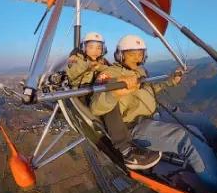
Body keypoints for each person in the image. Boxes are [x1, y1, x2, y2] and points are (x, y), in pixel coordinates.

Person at [90, 35, 217, 193]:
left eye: (140, 54)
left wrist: (170, 81)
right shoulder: (110, 73)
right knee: (187, 138)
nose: (137, 58)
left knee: (201, 121)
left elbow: (149, 91)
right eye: (132, 54)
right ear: (120, 55)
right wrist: (113, 93)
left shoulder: (139, 71)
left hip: (155, 115)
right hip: (135, 127)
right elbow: (96, 107)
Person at [66, 32, 161, 170]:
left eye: (99, 47)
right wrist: (87, 65)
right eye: (91, 47)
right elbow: (73, 72)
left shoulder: (102, 61)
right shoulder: (76, 59)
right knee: (111, 101)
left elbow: (109, 70)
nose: (95, 50)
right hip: (83, 92)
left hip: (96, 87)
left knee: (115, 92)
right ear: (84, 47)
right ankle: (126, 150)